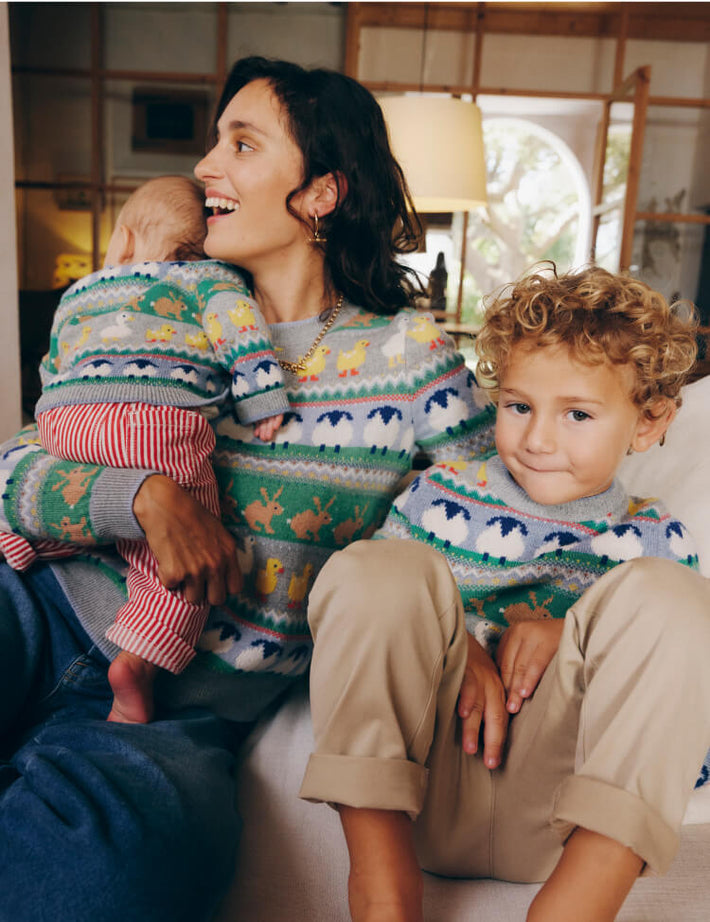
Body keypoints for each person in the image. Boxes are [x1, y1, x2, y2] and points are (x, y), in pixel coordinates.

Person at [0, 57, 495, 922]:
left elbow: (482, 521)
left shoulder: (411, 359)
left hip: (178, 707)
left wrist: (493, 624)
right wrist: (140, 495)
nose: (203, 168)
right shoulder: (159, 300)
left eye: (242, 143)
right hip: (33, 607)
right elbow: (16, 470)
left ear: (321, 193)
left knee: (112, 876)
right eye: (211, 142)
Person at [299, 266, 710, 922]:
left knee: (681, 601)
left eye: (577, 413)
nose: (539, 439)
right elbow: (366, 631)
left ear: (649, 422)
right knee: (371, 569)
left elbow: (684, 742)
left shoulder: (658, 541)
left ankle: (577, 907)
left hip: (568, 814)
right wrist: (463, 644)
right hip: (420, 783)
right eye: (519, 407)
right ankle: (382, 892)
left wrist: (573, 635)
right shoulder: (438, 497)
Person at [0, 175, 289, 725]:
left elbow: (53, 364)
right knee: (178, 556)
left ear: (123, 241)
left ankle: (16, 541)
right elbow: (239, 330)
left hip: (66, 420)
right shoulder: (212, 280)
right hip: (156, 422)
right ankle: (140, 661)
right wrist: (264, 395)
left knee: (73, 496)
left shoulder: (84, 290)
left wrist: (55, 412)